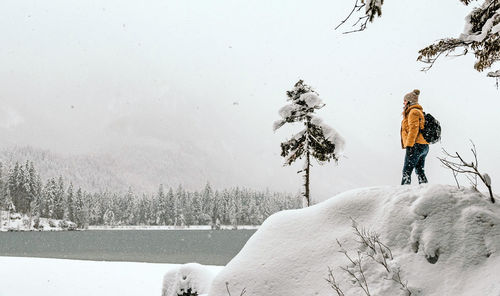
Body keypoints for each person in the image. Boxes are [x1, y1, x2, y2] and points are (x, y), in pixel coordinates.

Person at [400, 89, 429, 185]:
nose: (403, 103)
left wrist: (409, 145)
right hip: (423, 146)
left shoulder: (413, 112)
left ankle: (403, 192)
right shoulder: (417, 111)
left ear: (409, 101)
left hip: (415, 146)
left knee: (406, 172)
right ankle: (426, 190)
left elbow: (414, 130)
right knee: (420, 171)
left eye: (405, 101)